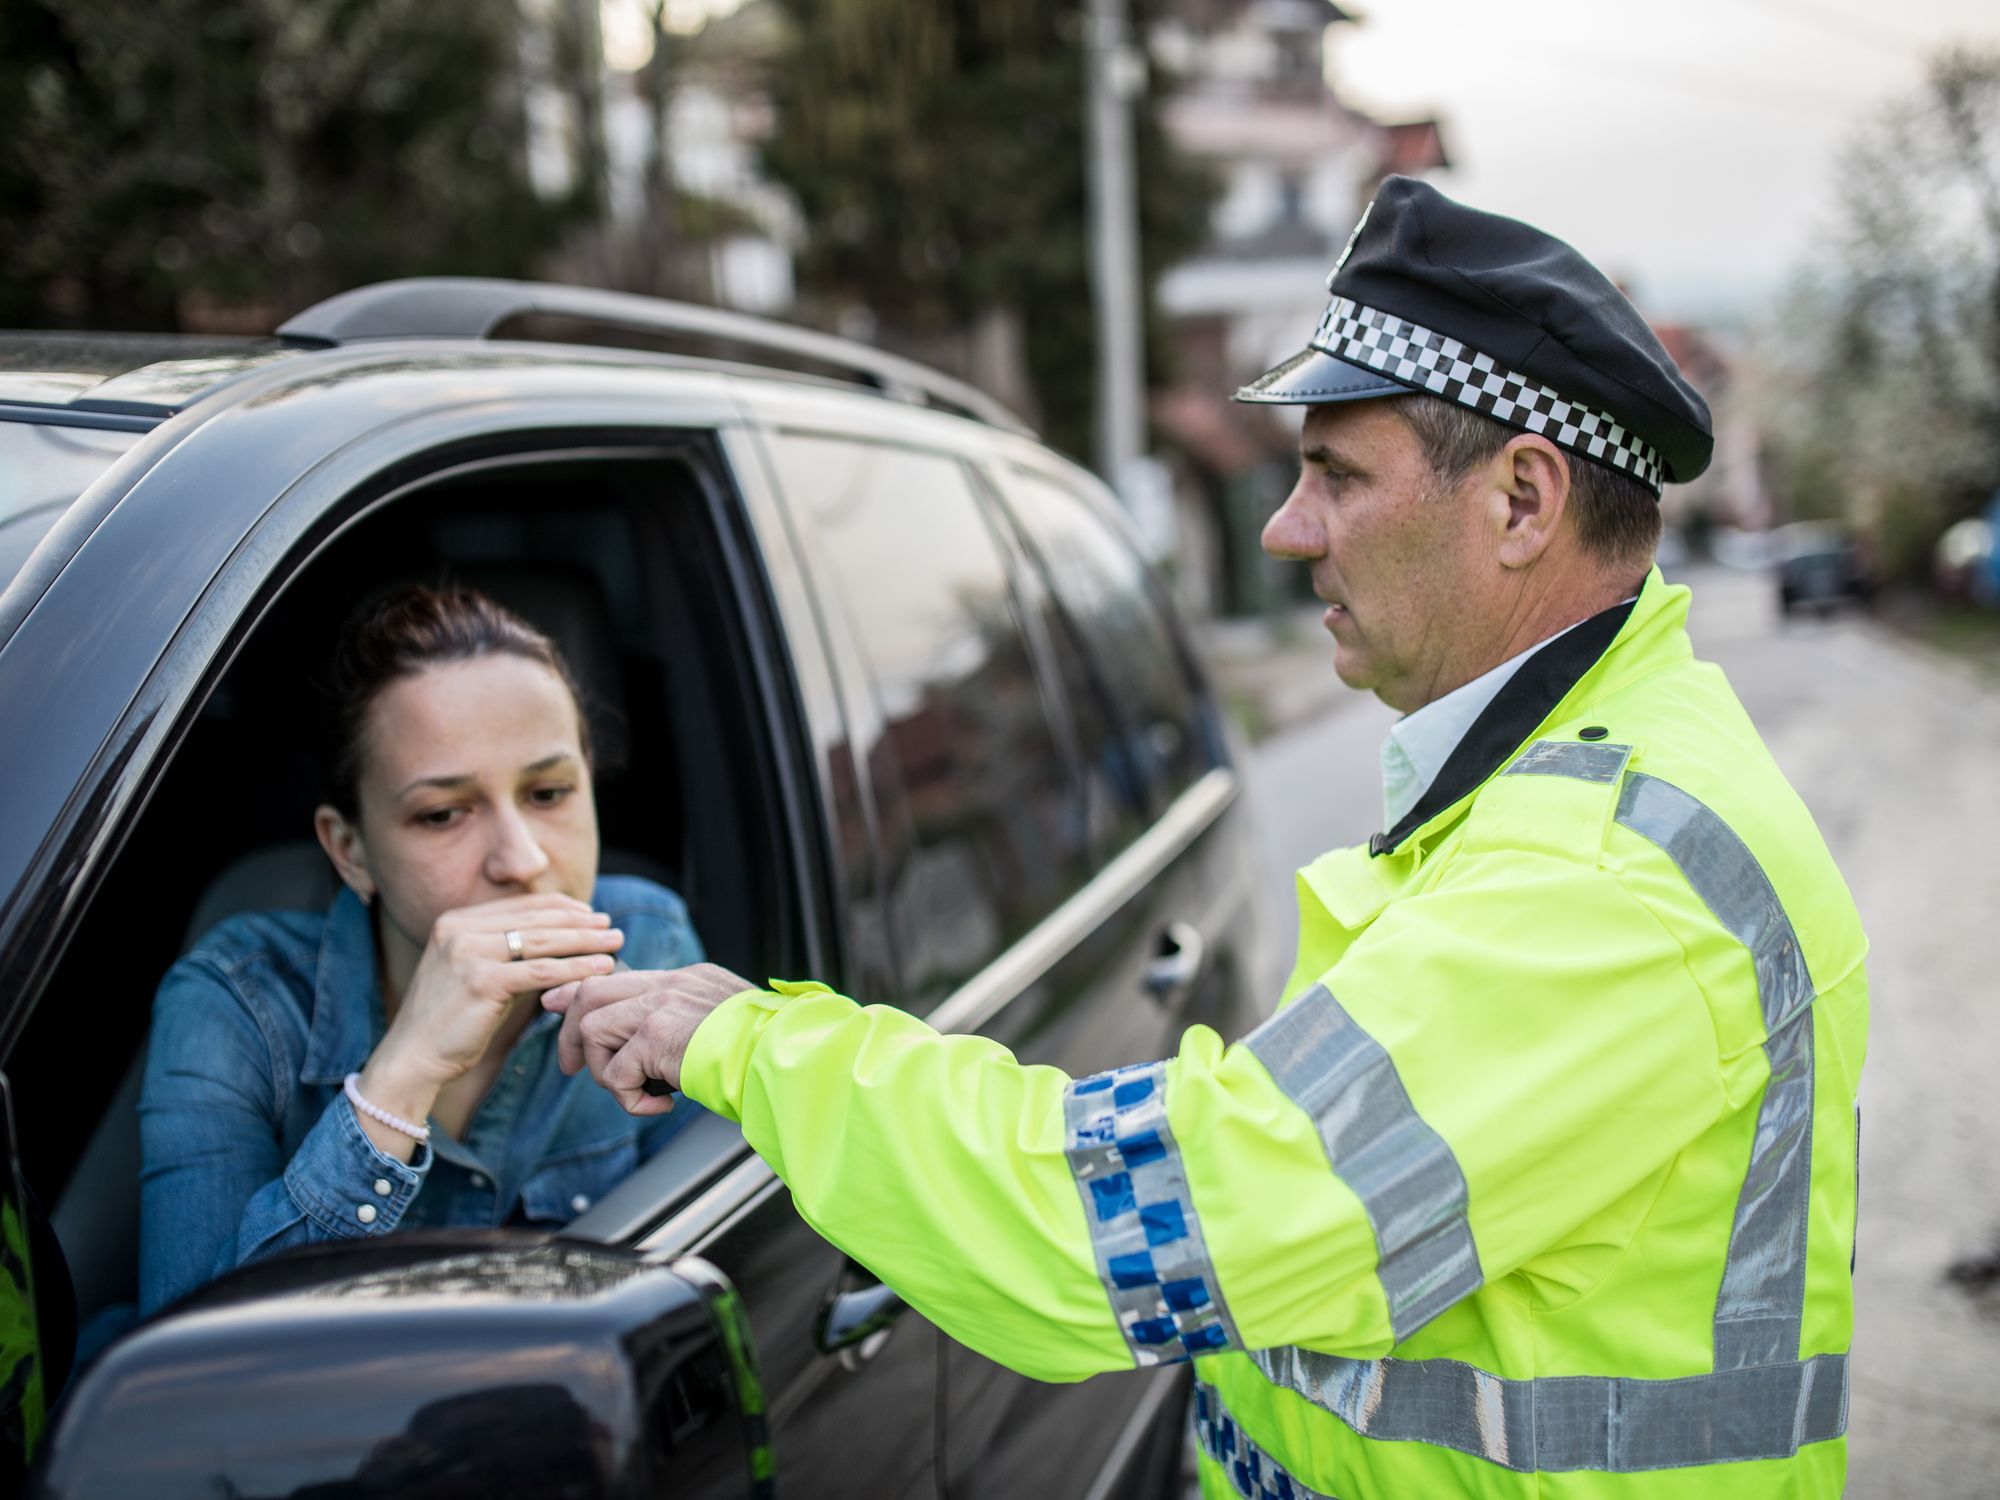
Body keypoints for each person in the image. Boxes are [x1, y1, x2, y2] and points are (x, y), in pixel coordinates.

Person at [544, 178, 1868, 1498]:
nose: (1285, 529)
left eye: (1335, 475)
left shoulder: (1608, 882)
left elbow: (1129, 1224)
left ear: (1523, 502)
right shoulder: (1573, 774)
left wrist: (745, 1039)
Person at [138, 584, 705, 1315]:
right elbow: (186, 1378)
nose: (522, 858)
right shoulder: (237, 1003)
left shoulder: (651, 939)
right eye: (443, 814)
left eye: (549, 792)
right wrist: (400, 1080)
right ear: (350, 851)